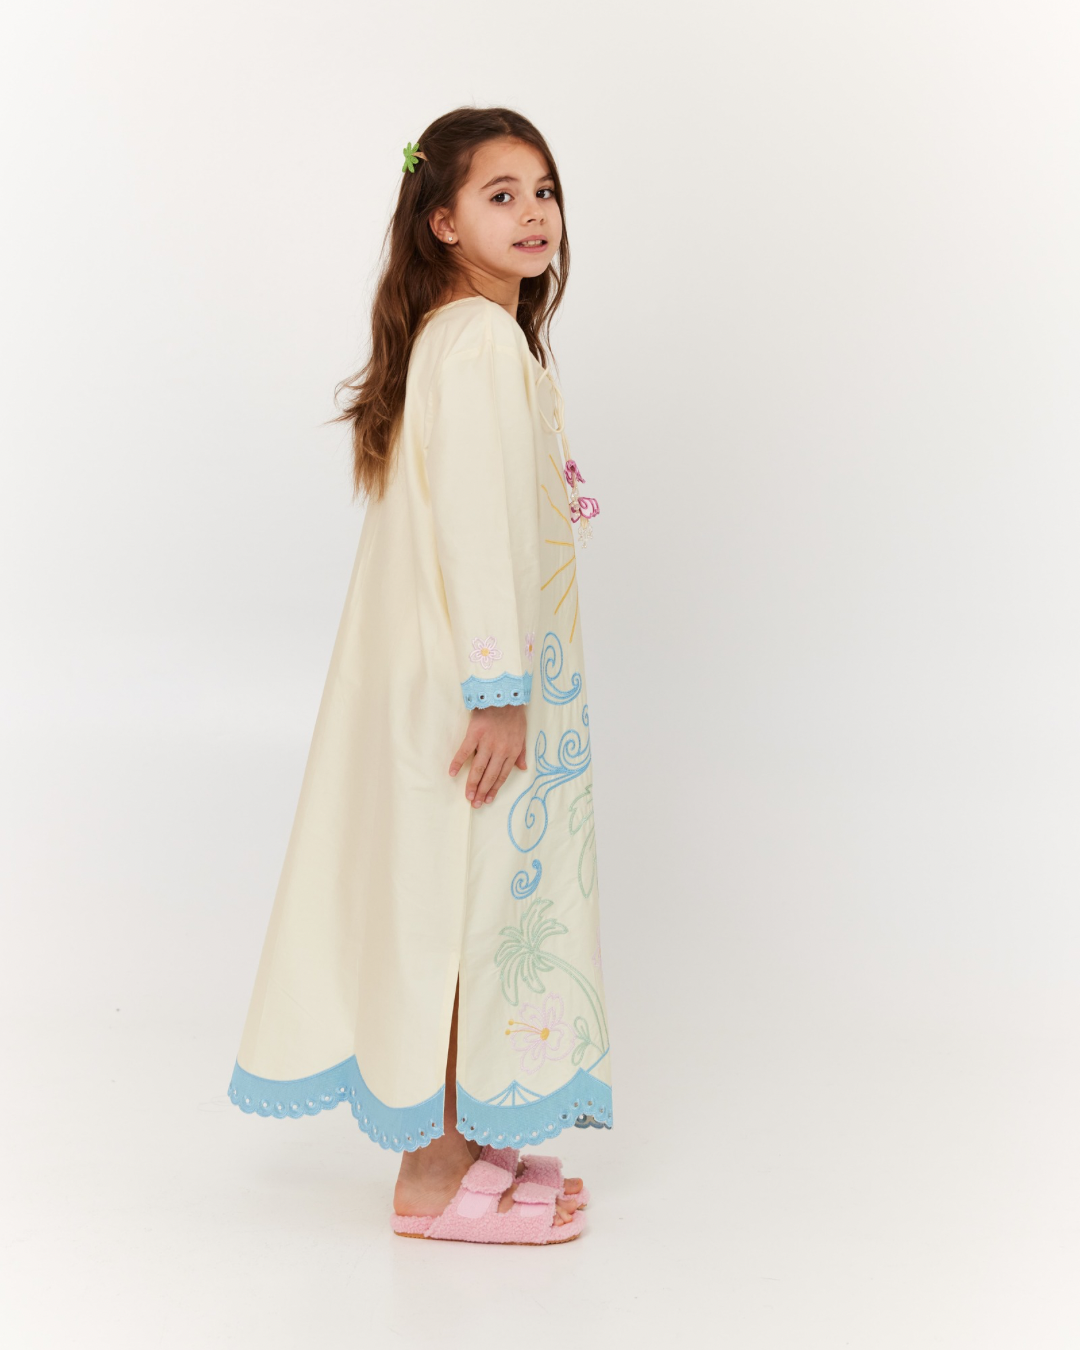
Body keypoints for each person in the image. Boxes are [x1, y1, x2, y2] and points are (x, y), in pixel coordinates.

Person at [226, 106, 612, 1246]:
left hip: (440, 670)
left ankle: (472, 1128)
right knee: (459, 913)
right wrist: (498, 693)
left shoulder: (461, 334)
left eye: (544, 191)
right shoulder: (480, 341)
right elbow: (479, 532)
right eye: (502, 195)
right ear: (442, 222)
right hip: (466, 683)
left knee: (465, 902)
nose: (534, 214)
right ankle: (433, 1174)